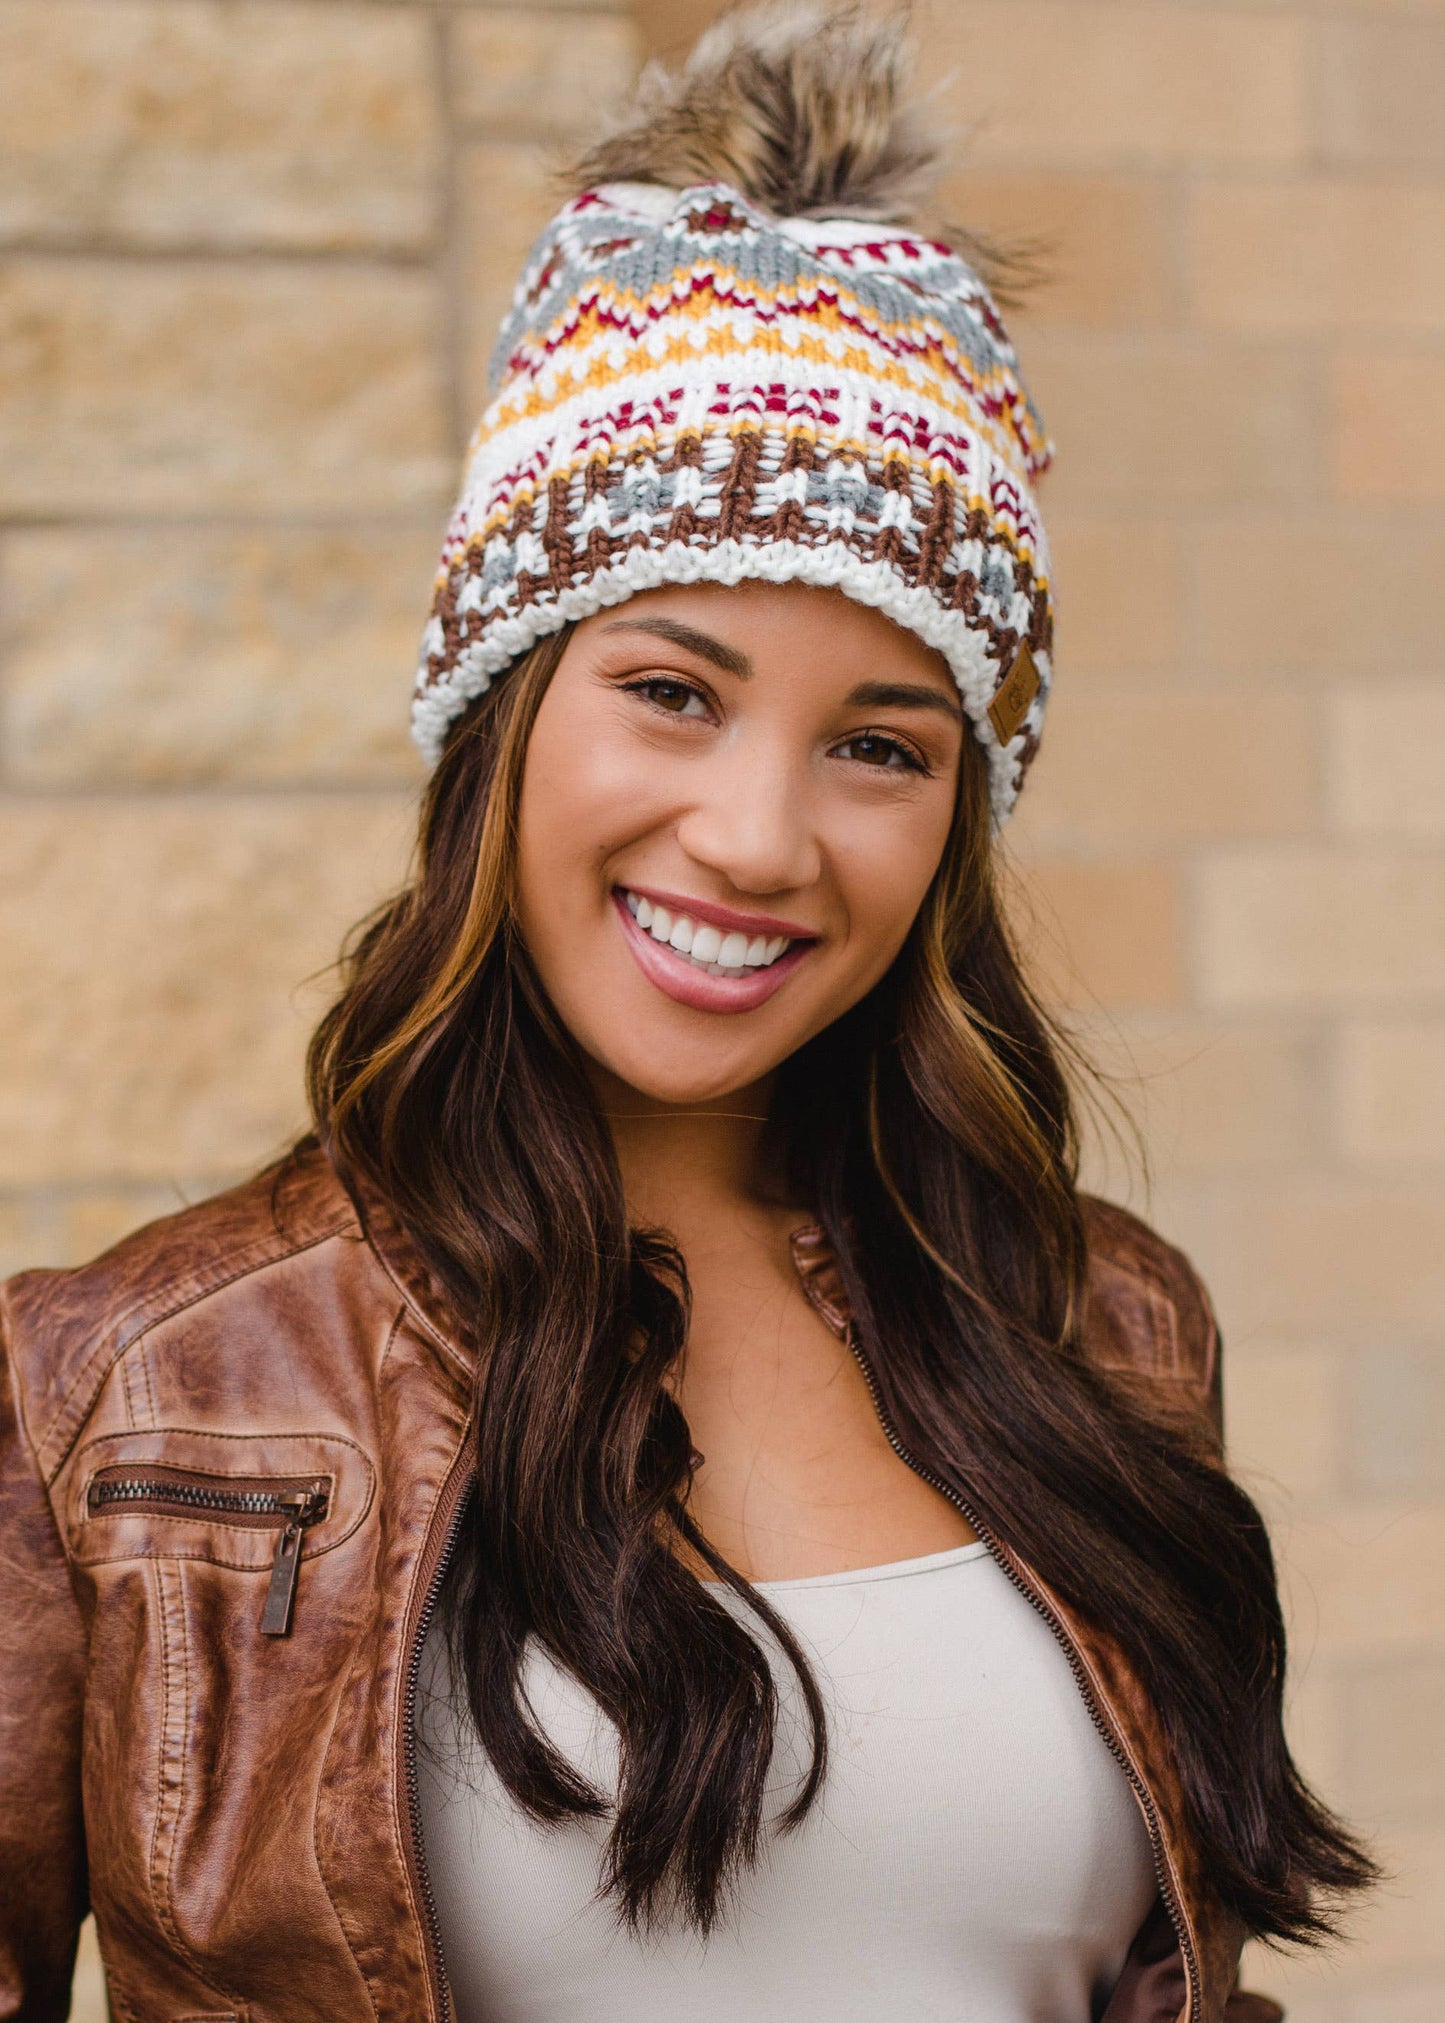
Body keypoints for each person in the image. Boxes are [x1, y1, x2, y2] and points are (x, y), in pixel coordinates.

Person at [0, 4, 1373, 2019]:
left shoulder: (1101, 1323)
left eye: (883, 747)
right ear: (504, 713)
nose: (757, 836)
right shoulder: (127, 1391)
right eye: (671, 688)